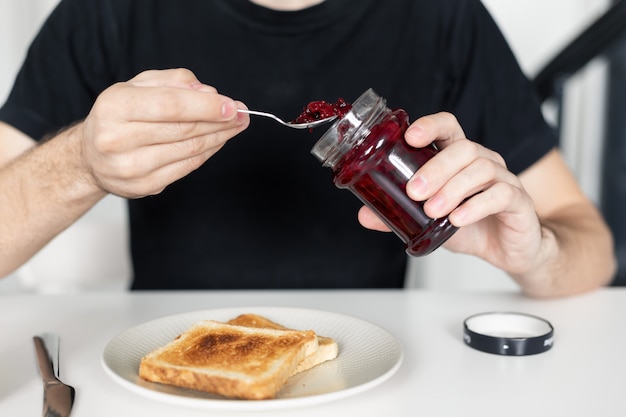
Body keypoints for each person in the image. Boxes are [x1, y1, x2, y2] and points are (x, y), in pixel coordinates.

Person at [0, 0, 616, 297]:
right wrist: (79, 163)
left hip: (370, 373)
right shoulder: (110, 10)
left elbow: (593, 250)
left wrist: (532, 254)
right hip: (161, 369)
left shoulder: (440, 15)